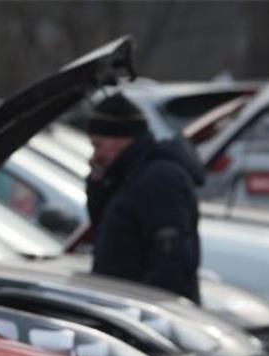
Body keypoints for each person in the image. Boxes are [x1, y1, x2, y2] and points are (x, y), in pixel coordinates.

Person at [85, 92, 203, 303]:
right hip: (126, 307)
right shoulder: (127, 177)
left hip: (148, 315)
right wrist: (97, 185)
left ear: (121, 139)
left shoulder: (159, 179)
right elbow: (102, 227)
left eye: (98, 145)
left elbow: (172, 261)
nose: (95, 156)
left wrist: (147, 313)